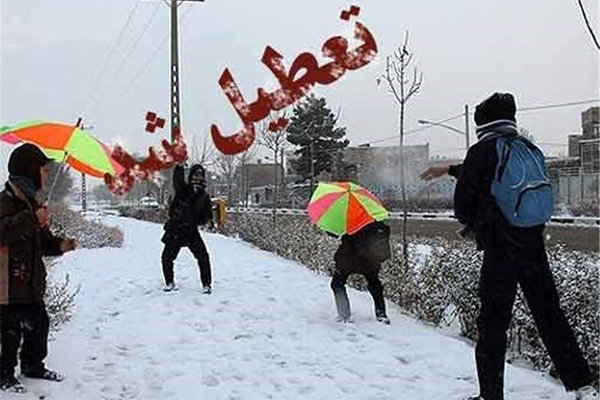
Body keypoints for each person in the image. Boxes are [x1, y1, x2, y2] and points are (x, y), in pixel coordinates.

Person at [420, 93, 598, 400]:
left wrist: (475, 221)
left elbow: (464, 204)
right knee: (549, 314)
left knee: (492, 324)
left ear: (482, 125)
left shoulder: (482, 150)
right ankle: (583, 386)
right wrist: (448, 169)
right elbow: (489, 172)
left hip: (501, 249)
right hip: (532, 243)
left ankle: (490, 395)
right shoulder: (528, 149)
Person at [0, 144, 77, 393]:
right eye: (43, 170)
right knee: (9, 334)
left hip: (31, 284)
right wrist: (33, 218)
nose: (46, 176)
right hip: (7, 286)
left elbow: (43, 243)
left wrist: (61, 245)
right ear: (29, 172)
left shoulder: (34, 204)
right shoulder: (5, 202)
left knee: (39, 324)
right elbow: (3, 231)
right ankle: (4, 375)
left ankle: (33, 365)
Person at [161, 163, 213, 293]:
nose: (198, 178)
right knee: (166, 257)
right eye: (195, 175)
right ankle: (169, 282)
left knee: (203, 257)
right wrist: (179, 165)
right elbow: (177, 180)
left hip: (191, 231)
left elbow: (207, 215)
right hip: (176, 229)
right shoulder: (183, 189)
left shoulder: (204, 196)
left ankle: (206, 284)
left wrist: (203, 221)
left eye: (200, 175)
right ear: (190, 176)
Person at [329, 221, 391, 324]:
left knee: (337, 284)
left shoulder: (350, 221)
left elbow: (334, 233)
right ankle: (381, 314)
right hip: (371, 261)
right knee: (375, 284)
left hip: (348, 261)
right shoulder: (378, 224)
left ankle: (344, 315)